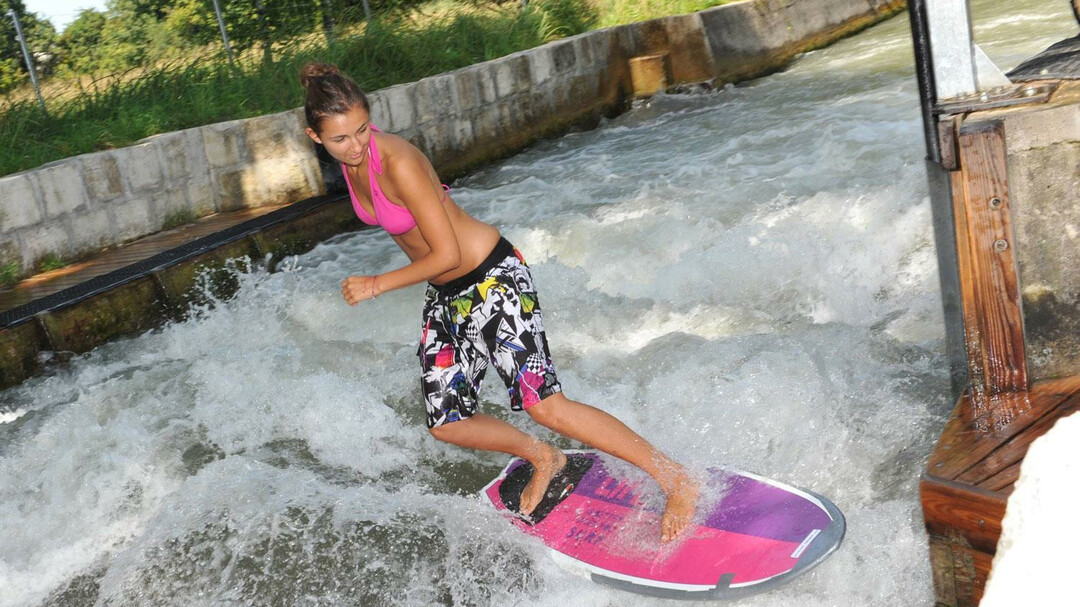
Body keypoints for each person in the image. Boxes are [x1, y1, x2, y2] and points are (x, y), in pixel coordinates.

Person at [300, 62, 698, 542]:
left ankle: (675, 477)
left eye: (362, 130)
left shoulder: (398, 161)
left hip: (492, 277)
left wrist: (376, 284)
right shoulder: (351, 164)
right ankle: (543, 457)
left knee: (546, 406)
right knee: (448, 421)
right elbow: (434, 258)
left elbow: (446, 250)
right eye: (341, 138)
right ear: (315, 136)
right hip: (449, 294)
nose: (357, 145)